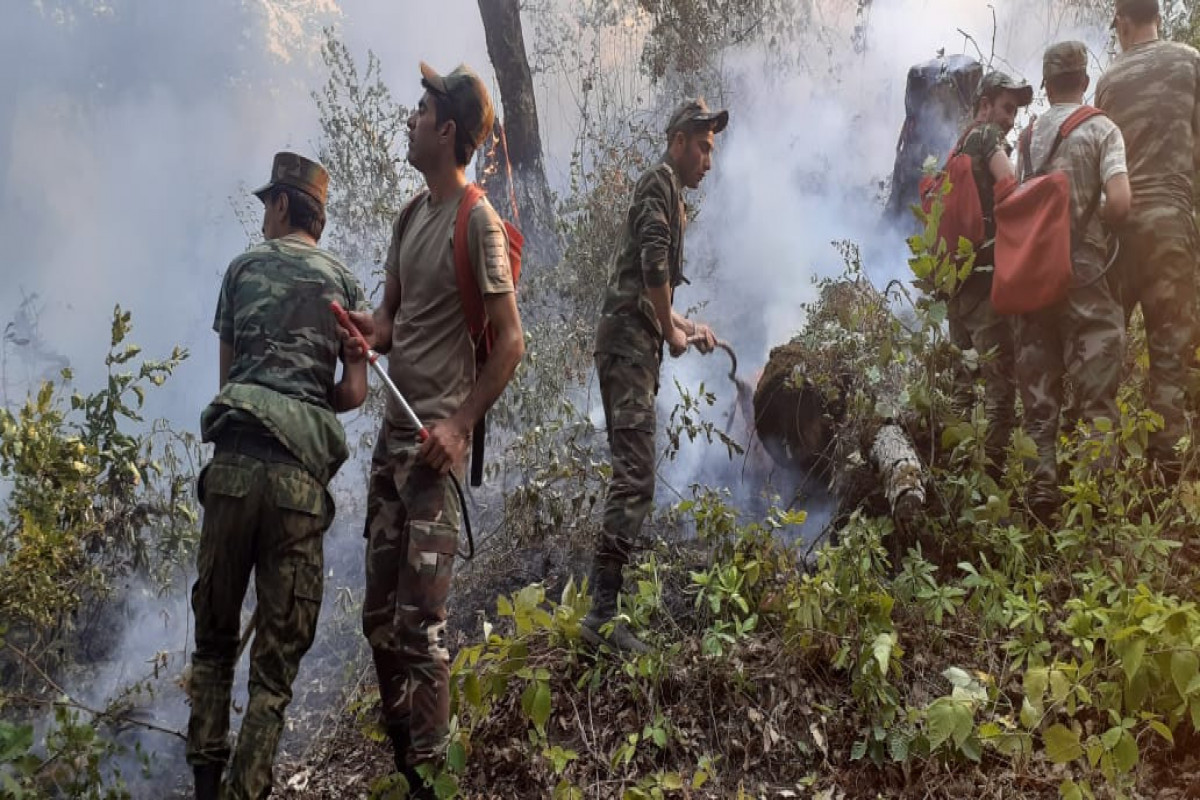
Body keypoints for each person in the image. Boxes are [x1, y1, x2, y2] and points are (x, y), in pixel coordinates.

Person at [338, 62, 524, 796]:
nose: (409, 120)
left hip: (430, 457)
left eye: (420, 111)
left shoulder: (474, 220)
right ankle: (412, 767)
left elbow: (510, 340)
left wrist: (460, 424)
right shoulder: (410, 216)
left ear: (447, 131)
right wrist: (365, 331)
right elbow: (391, 322)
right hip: (390, 447)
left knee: (422, 631)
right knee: (378, 623)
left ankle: (435, 781)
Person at [187, 152, 368, 800]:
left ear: (285, 205)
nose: (263, 213)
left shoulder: (240, 271)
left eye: (269, 202)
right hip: (296, 485)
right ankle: (247, 789)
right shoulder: (344, 286)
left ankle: (206, 785)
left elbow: (229, 381)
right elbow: (350, 393)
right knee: (273, 672)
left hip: (234, 469)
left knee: (213, 644)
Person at [582, 98, 727, 654]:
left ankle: (604, 608)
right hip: (627, 346)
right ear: (678, 141)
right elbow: (651, 267)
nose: (708, 161)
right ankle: (601, 616)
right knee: (636, 477)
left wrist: (688, 324)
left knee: (634, 473)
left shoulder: (670, 193)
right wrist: (670, 329)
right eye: (704, 147)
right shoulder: (658, 183)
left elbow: (652, 288)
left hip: (634, 342)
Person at [1013, 42, 1131, 525]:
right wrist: (1097, 218)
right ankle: (1092, 494)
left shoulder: (1028, 136)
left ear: (1045, 84)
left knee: (1039, 383)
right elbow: (1121, 203)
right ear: (1084, 81)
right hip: (1084, 272)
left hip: (1035, 272)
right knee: (1095, 385)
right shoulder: (1103, 128)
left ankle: (1042, 483)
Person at [1097, 0, 1200, 481]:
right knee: (1171, 356)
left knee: (1105, 350)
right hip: (1173, 230)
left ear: (1121, 21)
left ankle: (1096, 469)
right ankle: (1166, 476)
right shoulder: (1190, 62)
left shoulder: (1109, 81)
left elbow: (1103, 162)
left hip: (1119, 233)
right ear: (1157, 14)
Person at [946, 71, 1033, 480]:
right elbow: (1009, 182)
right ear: (985, 104)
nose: (1011, 118)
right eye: (1006, 108)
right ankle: (991, 480)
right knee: (1000, 388)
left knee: (962, 386)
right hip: (986, 287)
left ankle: (953, 473)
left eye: (1015, 111)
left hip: (957, 287)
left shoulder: (958, 144)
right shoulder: (987, 139)